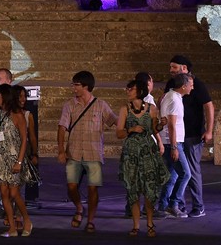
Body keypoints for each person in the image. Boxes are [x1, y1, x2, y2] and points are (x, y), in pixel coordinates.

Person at [56, 70, 117, 233]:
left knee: (93, 188)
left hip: (94, 153)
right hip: (74, 152)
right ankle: (78, 207)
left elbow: (115, 122)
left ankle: (90, 220)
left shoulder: (101, 105)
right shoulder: (69, 104)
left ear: (86, 86)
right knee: (71, 187)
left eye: (76, 85)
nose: (73, 88)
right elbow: (62, 127)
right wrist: (61, 150)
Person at [117, 79, 169, 237]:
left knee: (149, 190)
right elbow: (119, 133)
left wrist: (161, 125)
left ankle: (150, 223)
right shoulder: (124, 109)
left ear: (139, 91)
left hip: (147, 152)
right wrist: (131, 129)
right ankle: (136, 225)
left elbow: (154, 129)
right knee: (133, 190)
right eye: (127, 89)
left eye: (130, 89)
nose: (128, 91)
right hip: (131, 153)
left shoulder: (151, 109)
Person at [170, 55, 214, 218]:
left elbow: (209, 106)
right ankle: (178, 204)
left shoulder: (197, 85)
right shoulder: (172, 84)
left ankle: (198, 206)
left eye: (174, 67)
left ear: (184, 68)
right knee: (177, 171)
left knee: (192, 171)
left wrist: (209, 130)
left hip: (193, 135)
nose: (171, 70)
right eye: (170, 67)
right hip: (177, 135)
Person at [0, 84, 33, 237]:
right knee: (4, 194)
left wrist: (20, 162)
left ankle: (27, 220)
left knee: (14, 193)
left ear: (5, 96)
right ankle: (12, 228)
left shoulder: (18, 115)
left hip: (15, 158)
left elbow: (24, 140)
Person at [158, 72, 193, 218]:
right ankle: (173, 203)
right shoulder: (174, 99)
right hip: (173, 142)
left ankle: (163, 206)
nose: (192, 87)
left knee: (172, 176)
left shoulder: (171, 96)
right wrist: (174, 147)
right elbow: (171, 124)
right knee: (185, 174)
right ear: (184, 86)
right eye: (190, 85)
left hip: (171, 141)